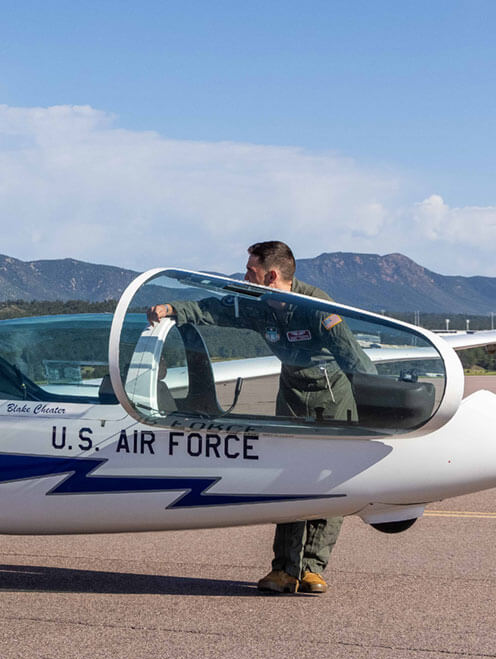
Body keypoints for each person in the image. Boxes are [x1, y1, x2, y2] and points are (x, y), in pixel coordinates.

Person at [146, 240, 374, 595]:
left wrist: (382, 406)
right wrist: (173, 308)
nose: (244, 277)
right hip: (291, 400)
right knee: (290, 483)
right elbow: (215, 310)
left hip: (332, 402)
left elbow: (354, 358)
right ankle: (283, 570)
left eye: (250, 271)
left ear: (270, 276)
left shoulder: (316, 306)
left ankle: (312, 568)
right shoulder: (258, 306)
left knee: (328, 485)